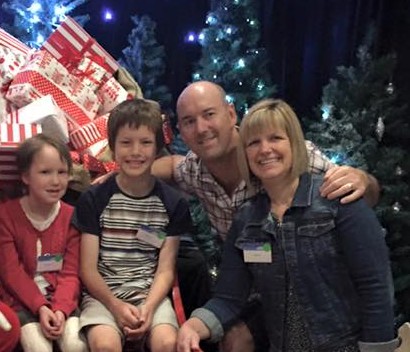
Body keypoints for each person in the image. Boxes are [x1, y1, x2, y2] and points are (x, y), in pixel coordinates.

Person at [95, 80, 381, 352]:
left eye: (209, 114)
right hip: (254, 290)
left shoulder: (290, 156)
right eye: (189, 121)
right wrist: (120, 176)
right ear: (180, 129)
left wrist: (363, 180)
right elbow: (171, 165)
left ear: (231, 113)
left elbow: (359, 203)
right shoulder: (203, 178)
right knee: (234, 338)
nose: (202, 128)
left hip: (323, 303)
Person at [177, 98, 400, 352]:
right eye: (253, 143)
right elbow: (229, 298)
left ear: (294, 143)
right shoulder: (247, 222)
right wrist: (194, 325)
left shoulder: (337, 201)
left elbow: (376, 286)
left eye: (275, 138)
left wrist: (377, 348)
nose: (265, 150)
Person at [72, 99, 193, 352]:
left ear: (158, 148)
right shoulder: (95, 199)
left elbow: (165, 270)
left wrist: (148, 308)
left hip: (151, 295)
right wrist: (115, 306)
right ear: (113, 148)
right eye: (126, 142)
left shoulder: (173, 203)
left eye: (145, 142)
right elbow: (88, 269)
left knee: (167, 343)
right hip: (103, 295)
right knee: (105, 345)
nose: (135, 151)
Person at [0, 134, 86, 352]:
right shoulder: (6, 215)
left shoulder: (72, 217)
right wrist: (40, 307)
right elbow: (12, 272)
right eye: (45, 172)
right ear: (25, 176)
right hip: (21, 301)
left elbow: (70, 273)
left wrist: (60, 309)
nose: (56, 181)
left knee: (75, 345)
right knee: (38, 348)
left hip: (62, 300)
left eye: (62, 172)